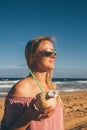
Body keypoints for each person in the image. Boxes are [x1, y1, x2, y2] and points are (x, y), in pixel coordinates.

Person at [1, 36, 64, 130]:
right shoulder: (21, 89)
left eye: (54, 52)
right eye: (47, 53)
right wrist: (28, 116)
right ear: (32, 57)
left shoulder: (50, 86)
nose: (53, 55)